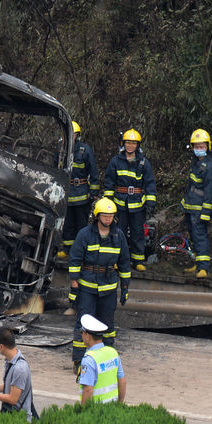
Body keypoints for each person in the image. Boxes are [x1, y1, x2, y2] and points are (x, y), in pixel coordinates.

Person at [68, 197, 132, 370]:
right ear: (97, 216)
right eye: (104, 216)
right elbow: (75, 261)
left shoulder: (118, 237)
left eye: (110, 216)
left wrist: (125, 287)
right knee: (84, 323)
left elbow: (125, 262)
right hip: (87, 287)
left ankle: (107, 359)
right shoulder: (85, 234)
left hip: (109, 287)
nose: (107, 219)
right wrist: (74, 288)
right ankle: (80, 362)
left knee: (108, 326)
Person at [103, 129, 156, 271]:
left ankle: (138, 260)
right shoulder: (115, 161)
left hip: (138, 204)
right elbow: (109, 181)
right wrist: (108, 200)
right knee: (117, 232)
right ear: (123, 144)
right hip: (119, 203)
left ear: (138, 145)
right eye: (128, 143)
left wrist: (151, 202)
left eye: (133, 143)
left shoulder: (144, 163)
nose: (130, 146)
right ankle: (116, 260)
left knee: (138, 232)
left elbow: (150, 183)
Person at [181, 129, 212, 278]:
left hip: (200, 210)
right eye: (196, 146)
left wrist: (205, 212)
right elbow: (190, 187)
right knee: (194, 236)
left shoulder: (210, 167)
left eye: (201, 146)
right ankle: (197, 263)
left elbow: (210, 192)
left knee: (200, 236)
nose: (198, 149)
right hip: (191, 208)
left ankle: (204, 268)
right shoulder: (196, 163)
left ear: (207, 146)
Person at [58, 120, 99, 259]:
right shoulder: (60, 150)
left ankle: (82, 250)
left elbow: (93, 172)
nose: (70, 137)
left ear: (77, 135)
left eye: (73, 134)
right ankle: (67, 249)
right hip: (66, 193)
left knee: (81, 224)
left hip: (81, 194)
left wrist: (93, 193)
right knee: (67, 224)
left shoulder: (85, 150)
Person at [0, 326, 37, 421]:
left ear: (1, 346)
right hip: (10, 415)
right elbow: (12, 385)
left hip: (19, 420)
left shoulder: (20, 368)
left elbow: (13, 399)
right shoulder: (9, 361)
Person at [77, 313, 127, 404]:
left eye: (82, 333)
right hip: (112, 407)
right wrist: (119, 404)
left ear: (88, 336)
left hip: (96, 410)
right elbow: (122, 381)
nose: (82, 336)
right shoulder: (113, 353)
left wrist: (84, 412)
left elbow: (88, 390)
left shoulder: (89, 359)